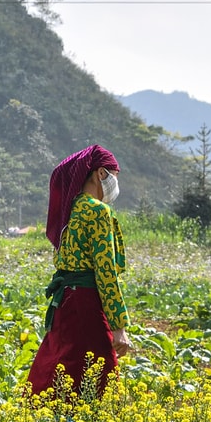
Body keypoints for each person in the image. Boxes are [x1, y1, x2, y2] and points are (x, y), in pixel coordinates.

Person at [27, 144, 134, 400]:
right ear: (100, 174)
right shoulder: (97, 211)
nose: (115, 184)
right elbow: (106, 272)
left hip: (64, 302)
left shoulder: (69, 211)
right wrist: (119, 326)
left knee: (61, 366)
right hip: (87, 304)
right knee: (99, 376)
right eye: (114, 176)